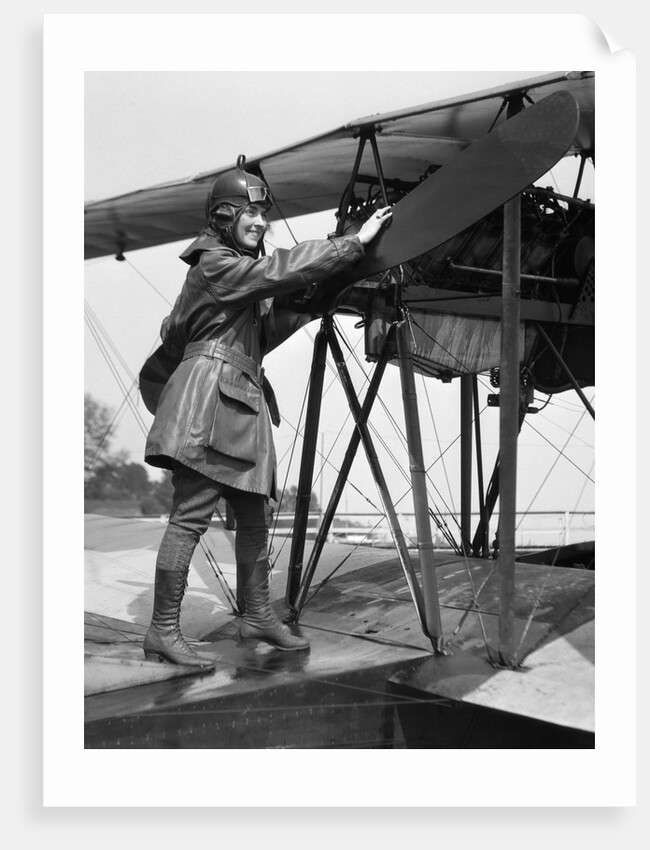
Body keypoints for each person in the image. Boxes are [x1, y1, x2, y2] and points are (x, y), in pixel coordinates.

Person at [140, 158, 392, 667]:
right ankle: (162, 630)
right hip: (210, 400)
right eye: (249, 216)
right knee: (190, 518)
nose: (260, 224)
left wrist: (314, 299)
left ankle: (257, 615)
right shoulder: (215, 264)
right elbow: (278, 269)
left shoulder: (237, 276)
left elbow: (261, 333)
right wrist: (353, 244)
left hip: (240, 394)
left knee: (255, 518)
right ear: (222, 219)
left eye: (264, 217)